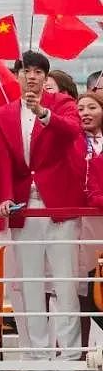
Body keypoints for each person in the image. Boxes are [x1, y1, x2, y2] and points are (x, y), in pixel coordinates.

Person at [0, 51, 84, 362]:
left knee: (65, 282)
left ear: (46, 78)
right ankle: (37, 355)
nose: (31, 76)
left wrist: (44, 113)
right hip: (24, 206)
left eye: (37, 72)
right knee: (30, 283)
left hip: (58, 206)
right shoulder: (3, 115)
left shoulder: (63, 105)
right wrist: (4, 195)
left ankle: (71, 355)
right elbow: (3, 160)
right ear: (17, 75)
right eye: (25, 71)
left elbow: (73, 131)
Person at [76, 93, 103, 343]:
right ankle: (82, 349)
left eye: (92, 107)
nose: (85, 112)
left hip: (99, 220)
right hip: (79, 222)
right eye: (80, 108)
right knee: (83, 287)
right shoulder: (71, 141)